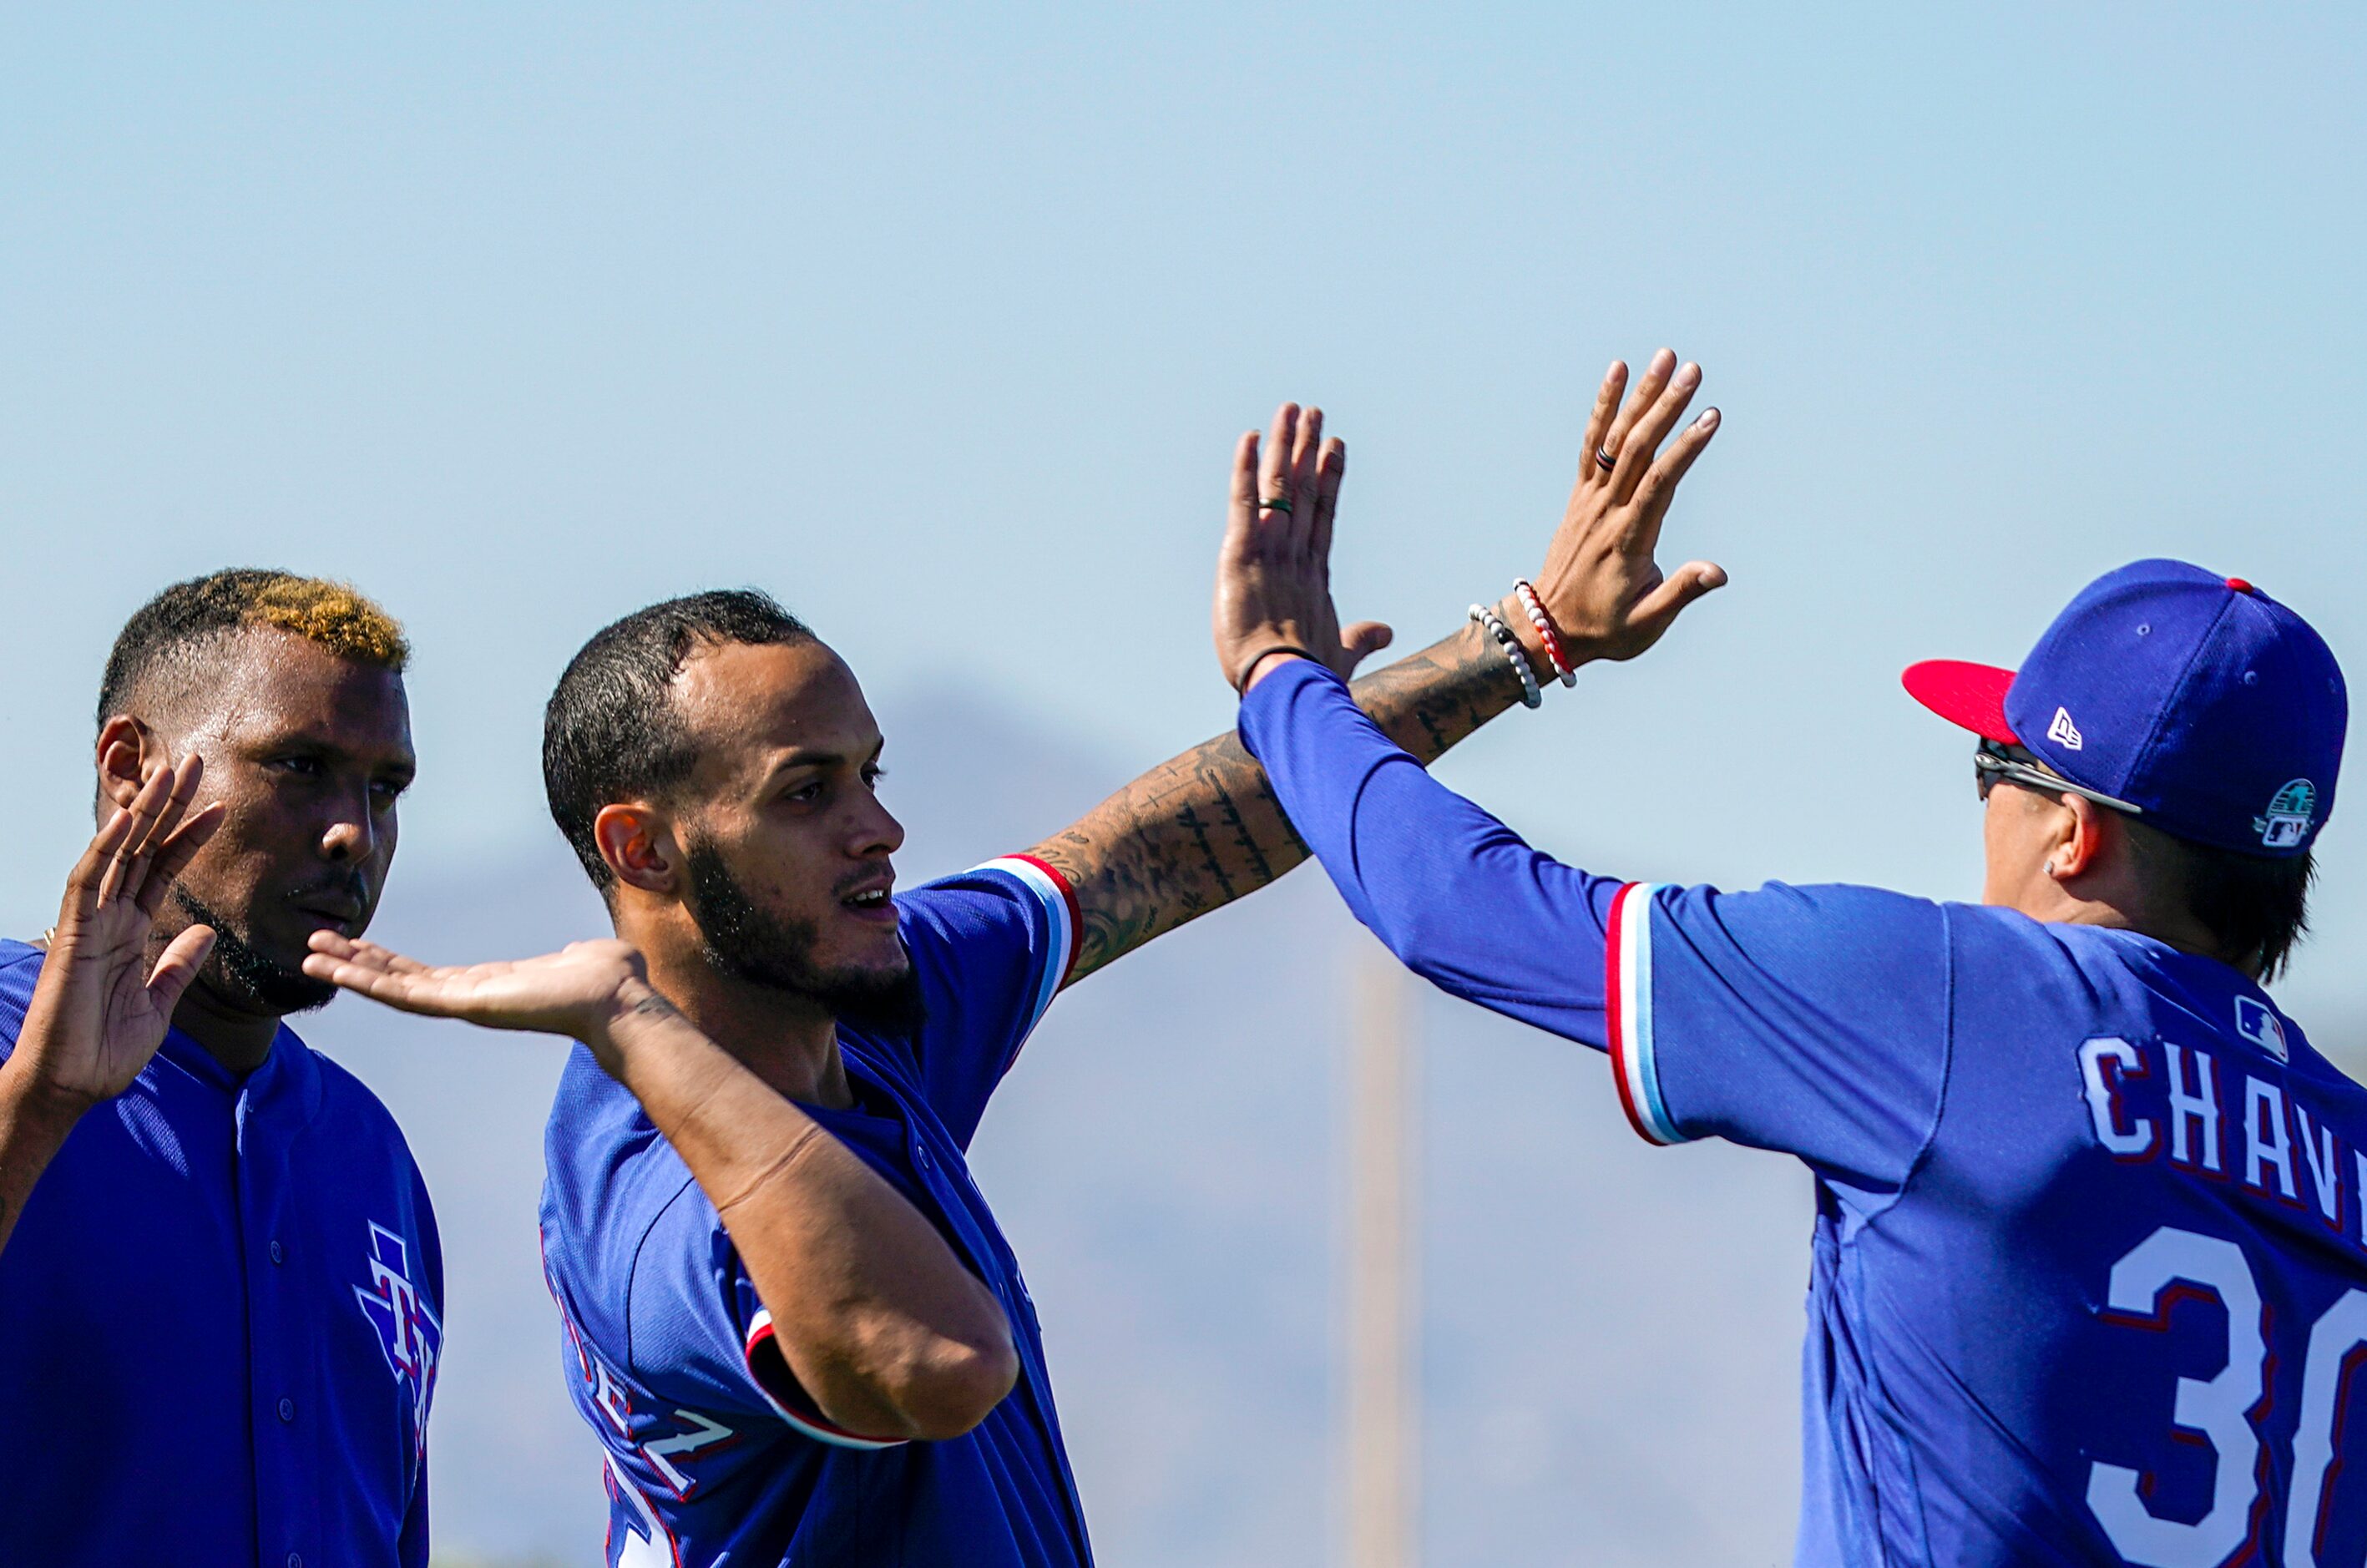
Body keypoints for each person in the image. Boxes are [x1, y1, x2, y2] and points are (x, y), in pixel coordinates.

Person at [296, 383, 1717, 1566]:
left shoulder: (868, 1002)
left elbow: (1146, 854)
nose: (880, 828)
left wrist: (1523, 642)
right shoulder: (654, 1197)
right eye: (809, 792)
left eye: (872, 774)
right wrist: (624, 1016)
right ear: (643, 849)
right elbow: (935, 1360)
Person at [1216, 351, 2367, 1565]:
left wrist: (1285, 674)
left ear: (2074, 832)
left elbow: (1452, 904)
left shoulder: (1956, 1001)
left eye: (1991, 766)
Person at [0, 569, 442, 1565]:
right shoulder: (10, 1050)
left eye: (385, 789)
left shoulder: (369, 1155)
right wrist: (36, 1110)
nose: (353, 834)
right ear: (130, 767)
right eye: (298, 765)